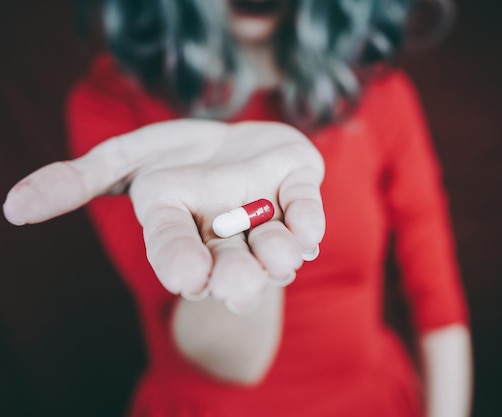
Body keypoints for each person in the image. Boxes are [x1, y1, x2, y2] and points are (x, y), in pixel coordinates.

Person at [3, 0, 472, 416]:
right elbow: (234, 363)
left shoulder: (380, 95)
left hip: (370, 401)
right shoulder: (114, 104)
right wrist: (240, 232)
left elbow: (440, 310)